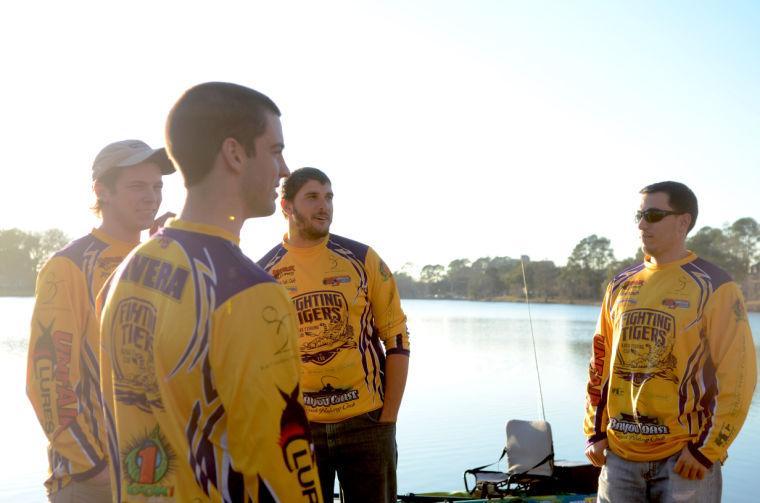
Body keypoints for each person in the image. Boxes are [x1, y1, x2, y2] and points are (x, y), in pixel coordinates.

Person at [97, 82, 322, 502]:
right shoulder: (248, 294)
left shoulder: (127, 272)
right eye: (274, 150)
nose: (285, 169)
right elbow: (282, 470)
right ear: (235, 153)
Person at [584, 181, 756, 502]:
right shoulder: (620, 285)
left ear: (683, 222)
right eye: (639, 215)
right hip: (619, 457)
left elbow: (739, 375)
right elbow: (600, 363)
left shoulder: (716, 285)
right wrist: (594, 433)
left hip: (685, 459)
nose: (641, 224)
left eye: (652, 215)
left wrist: (708, 450)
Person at [26, 139, 175, 502]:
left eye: (157, 186)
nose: (151, 197)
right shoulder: (69, 266)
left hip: (160, 471)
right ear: (101, 191)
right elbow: (48, 376)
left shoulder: (165, 260)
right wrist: (91, 466)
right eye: (137, 186)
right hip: (94, 480)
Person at [259, 167, 410, 503]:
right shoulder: (264, 272)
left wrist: (388, 417)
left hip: (367, 423)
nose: (324, 206)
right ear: (286, 206)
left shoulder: (361, 258)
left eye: (328, 197)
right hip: (300, 429)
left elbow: (397, 337)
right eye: (312, 197)